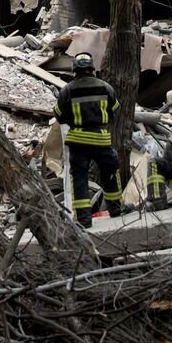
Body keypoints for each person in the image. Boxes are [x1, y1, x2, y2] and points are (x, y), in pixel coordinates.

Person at [53, 52, 123, 228]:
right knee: (110, 172)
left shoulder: (67, 90)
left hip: (78, 141)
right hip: (101, 139)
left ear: (75, 69)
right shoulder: (106, 87)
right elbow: (115, 110)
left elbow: (59, 116)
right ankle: (116, 209)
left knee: (79, 178)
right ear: (92, 68)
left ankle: (84, 220)